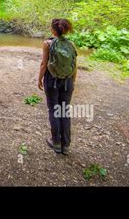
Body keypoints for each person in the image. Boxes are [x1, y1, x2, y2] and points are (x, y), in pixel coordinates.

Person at [38, 18, 77, 155]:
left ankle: (56, 143)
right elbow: (74, 66)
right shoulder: (71, 44)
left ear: (52, 30)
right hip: (67, 82)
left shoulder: (47, 43)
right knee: (64, 111)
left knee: (54, 110)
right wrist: (72, 81)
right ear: (65, 30)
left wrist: (39, 79)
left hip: (52, 80)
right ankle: (65, 145)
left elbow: (44, 64)